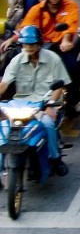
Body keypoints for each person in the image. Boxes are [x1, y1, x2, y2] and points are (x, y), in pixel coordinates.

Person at [0, 26, 67, 179]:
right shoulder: (17, 60)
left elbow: (59, 86)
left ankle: (55, 159)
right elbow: (4, 84)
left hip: (44, 103)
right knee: (3, 128)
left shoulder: (53, 59)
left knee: (48, 124)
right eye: (25, 44)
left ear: (39, 44)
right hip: (20, 104)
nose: (28, 47)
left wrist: (50, 104)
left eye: (32, 44)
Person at [6, 0, 80, 101]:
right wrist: (13, 39)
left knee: (71, 68)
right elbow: (26, 26)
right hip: (41, 44)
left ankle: (74, 101)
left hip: (61, 45)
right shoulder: (37, 9)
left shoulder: (71, 6)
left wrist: (66, 40)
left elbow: (70, 25)